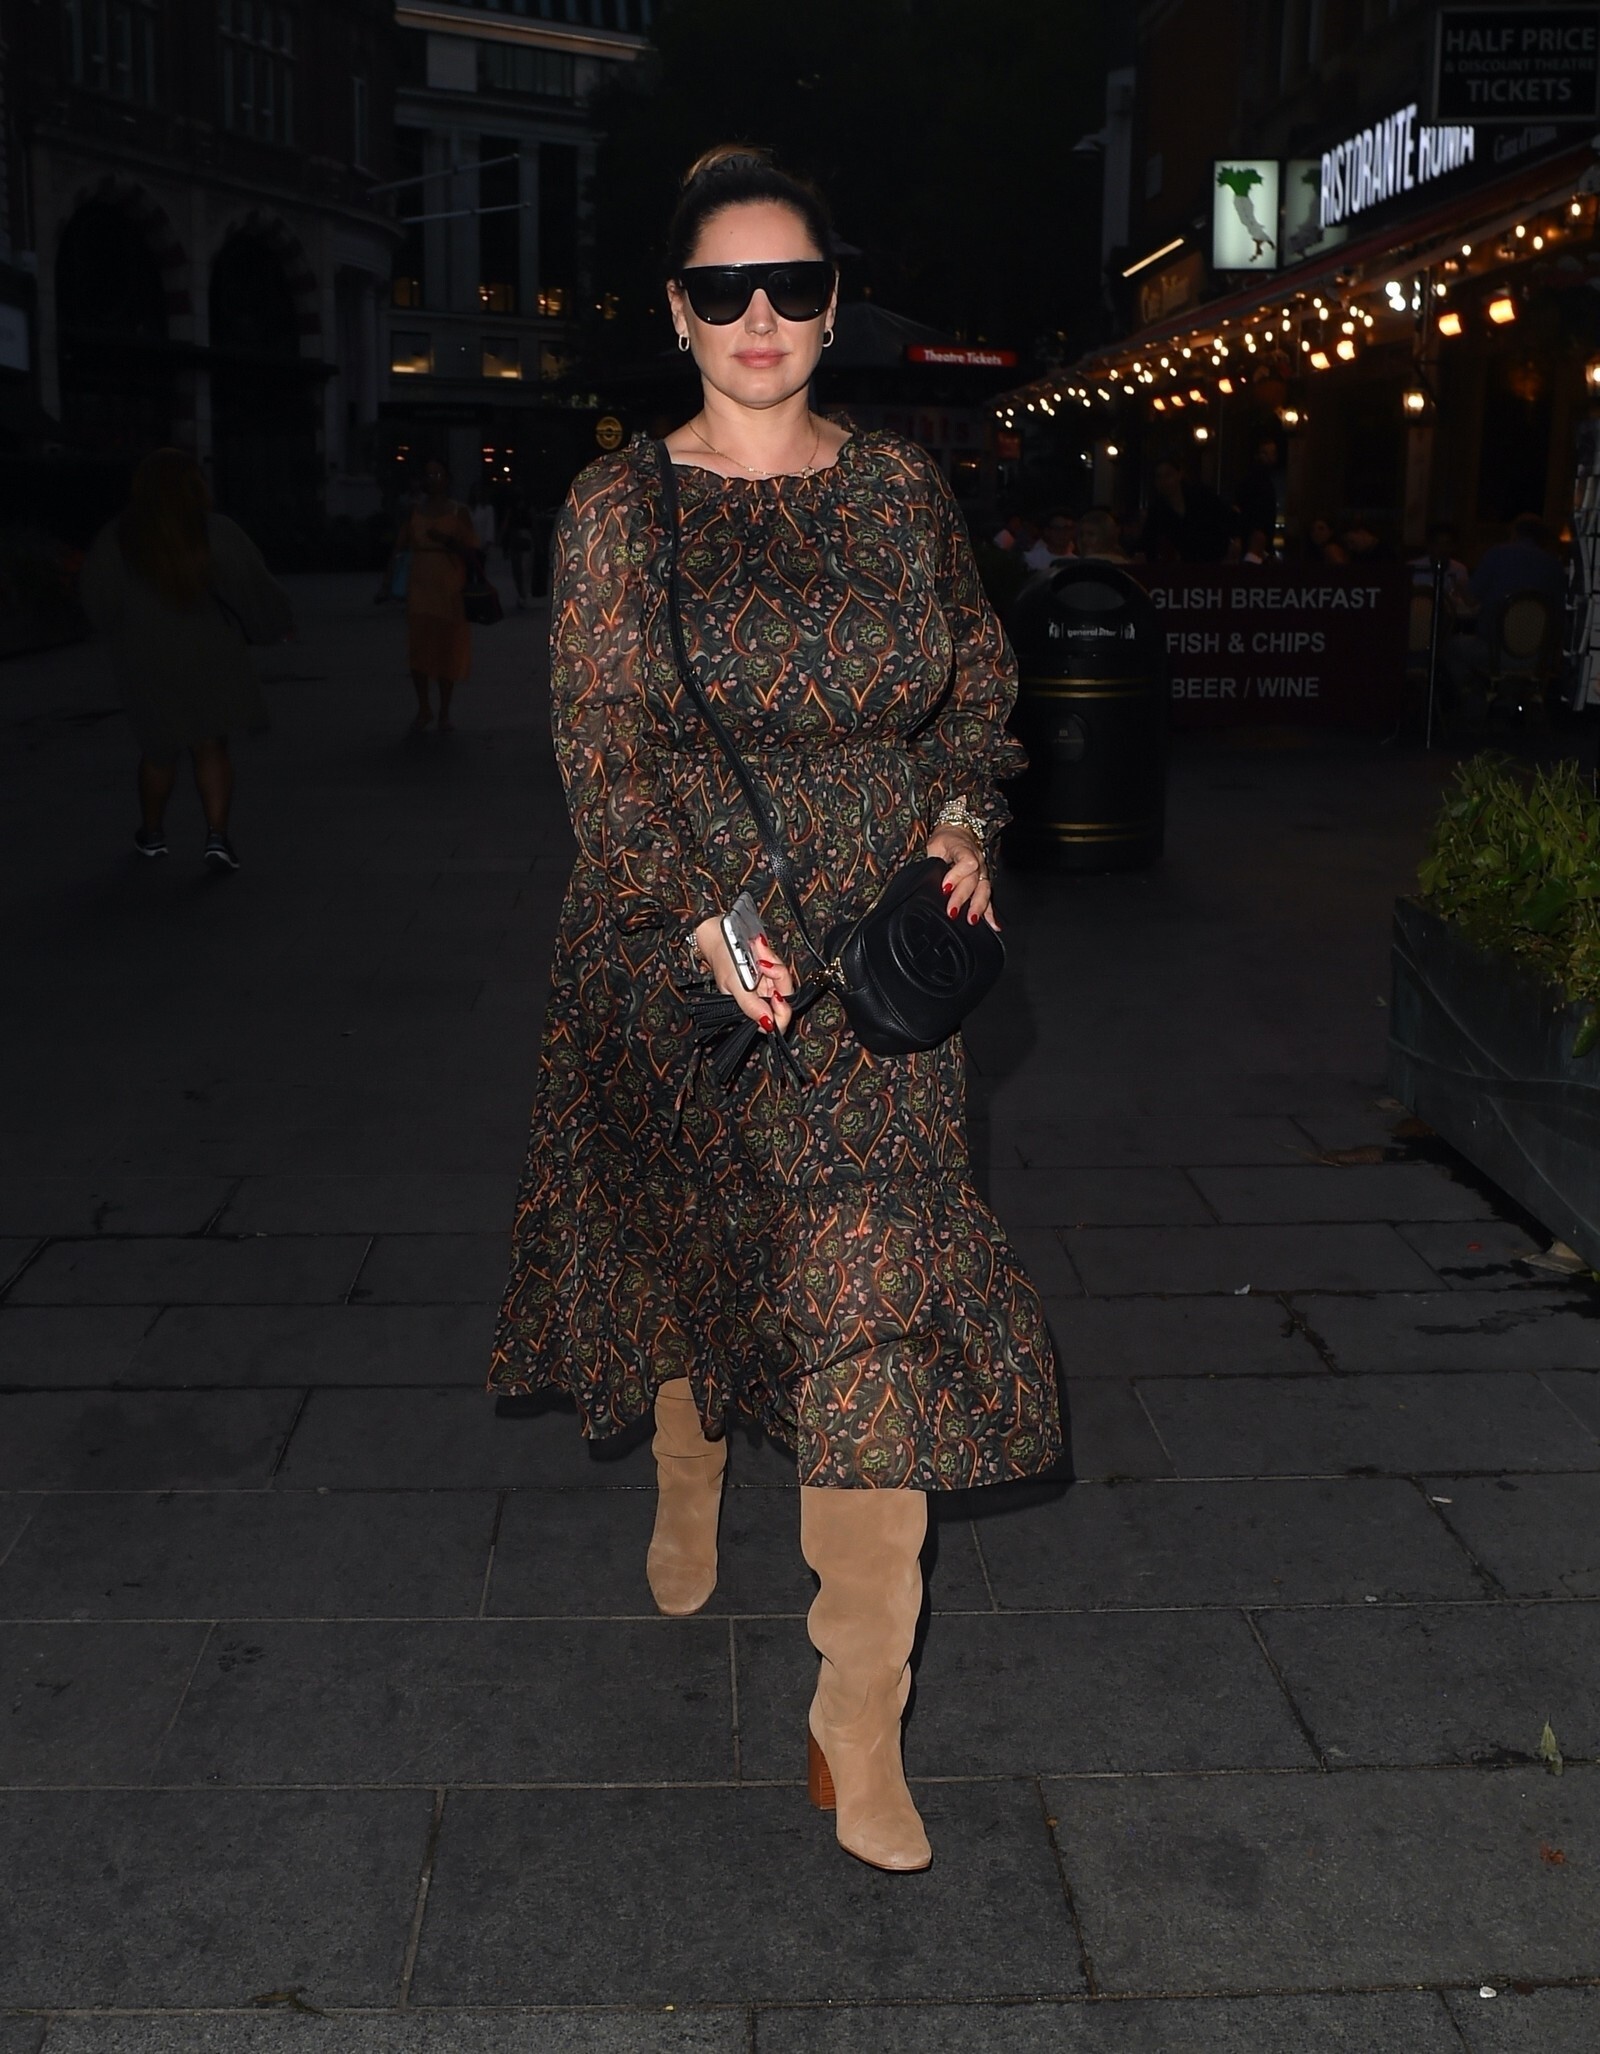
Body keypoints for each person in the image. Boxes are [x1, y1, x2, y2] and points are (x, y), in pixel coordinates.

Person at [490, 144, 1064, 1874]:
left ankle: (856, 1715)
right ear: (677, 312)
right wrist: (701, 921)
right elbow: (601, 755)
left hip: (876, 977)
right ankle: (689, 1453)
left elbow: (978, 682)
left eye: (792, 285)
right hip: (686, 954)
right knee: (699, 1247)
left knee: (869, 1313)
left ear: (831, 308)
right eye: (724, 288)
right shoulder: (617, 507)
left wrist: (961, 816)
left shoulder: (899, 489)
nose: (759, 315)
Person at [79, 447, 293, 871]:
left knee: (158, 749)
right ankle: (217, 836)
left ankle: (152, 833)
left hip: (146, 656)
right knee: (210, 743)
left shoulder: (119, 537)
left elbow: (96, 602)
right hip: (210, 651)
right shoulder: (215, 530)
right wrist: (273, 625)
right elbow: (253, 587)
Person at [387, 458, 476, 732]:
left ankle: (444, 711)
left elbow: (472, 549)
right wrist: (388, 580)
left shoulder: (459, 512)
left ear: (447, 478)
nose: (433, 479)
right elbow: (399, 546)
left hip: (449, 586)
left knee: (446, 649)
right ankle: (423, 707)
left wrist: (447, 541)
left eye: (438, 474)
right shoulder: (414, 511)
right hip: (420, 586)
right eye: (429, 474)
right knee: (420, 649)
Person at [1139, 457, 1239, 564]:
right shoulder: (1157, 510)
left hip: (1219, 559)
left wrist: (1236, 540)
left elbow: (1229, 516)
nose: (1163, 481)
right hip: (1189, 564)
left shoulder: (1201, 495)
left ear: (1179, 474)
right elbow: (1148, 540)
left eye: (1168, 475)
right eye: (1159, 477)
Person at [1236, 436, 1283, 546]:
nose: (1270, 457)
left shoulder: (1268, 481)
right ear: (1257, 455)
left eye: (1273, 453)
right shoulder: (1253, 481)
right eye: (1265, 453)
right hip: (1254, 539)